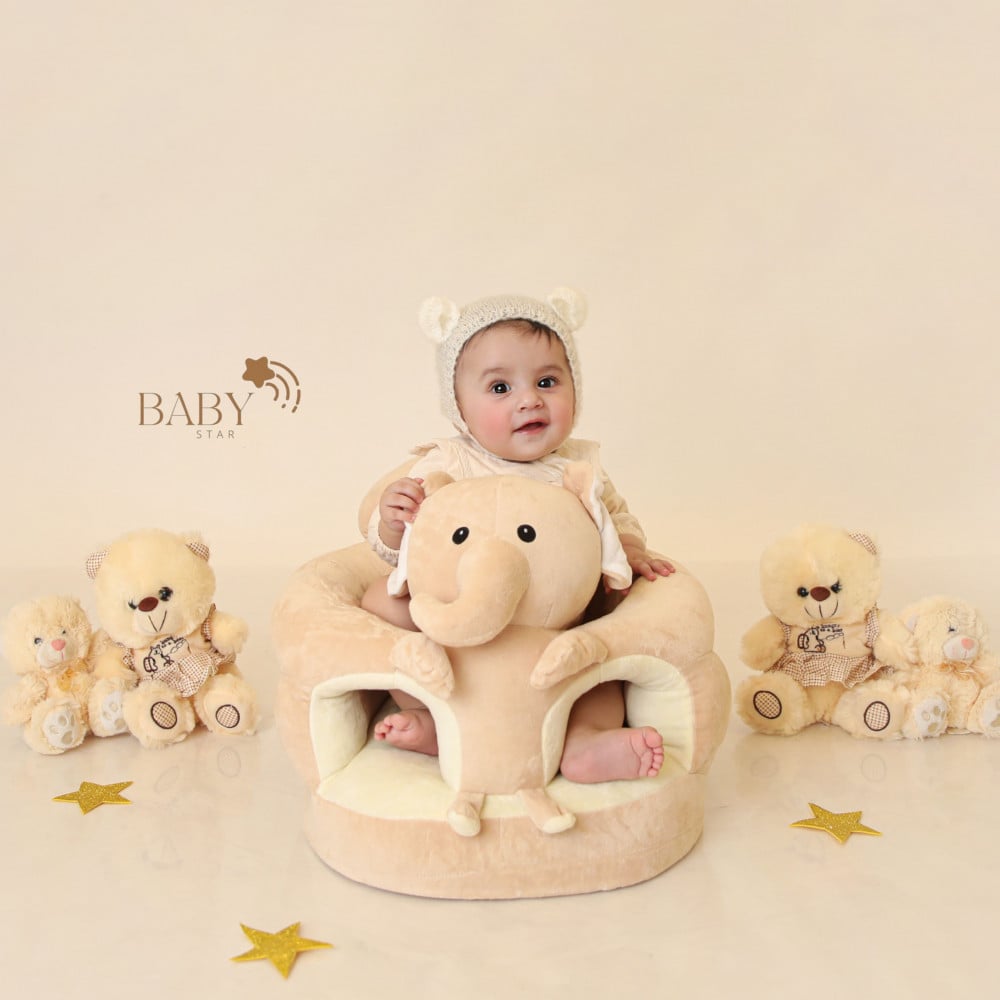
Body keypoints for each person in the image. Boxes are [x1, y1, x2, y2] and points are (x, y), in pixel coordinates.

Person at [360, 288, 673, 783]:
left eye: (547, 381)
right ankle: (435, 714)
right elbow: (407, 552)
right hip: (461, 629)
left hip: (555, 628)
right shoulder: (449, 462)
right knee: (381, 602)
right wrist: (394, 523)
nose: (529, 399)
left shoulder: (577, 466)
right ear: (459, 407)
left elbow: (616, 516)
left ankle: (585, 740)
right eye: (500, 388)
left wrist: (630, 549)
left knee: (602, 661)